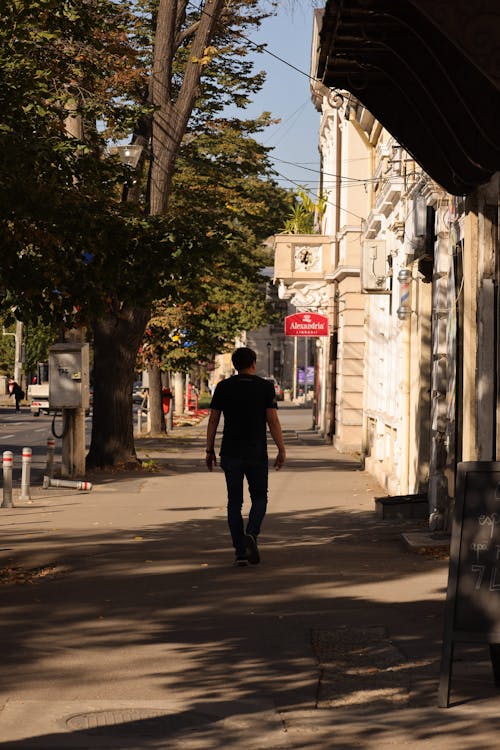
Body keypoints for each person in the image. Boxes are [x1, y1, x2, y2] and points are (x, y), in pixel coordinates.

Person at [206, 347, 286, 567]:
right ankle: (251, 532)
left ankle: (240, 552)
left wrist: (209, 449)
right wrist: (281, 449)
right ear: (253, 363)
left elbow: (213, 420)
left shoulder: (223, 387)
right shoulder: (265, 387)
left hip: (230, 452)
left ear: (234, 365)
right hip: (256, 453)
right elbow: (273, 421)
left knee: (234, 502)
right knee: (260, 497)